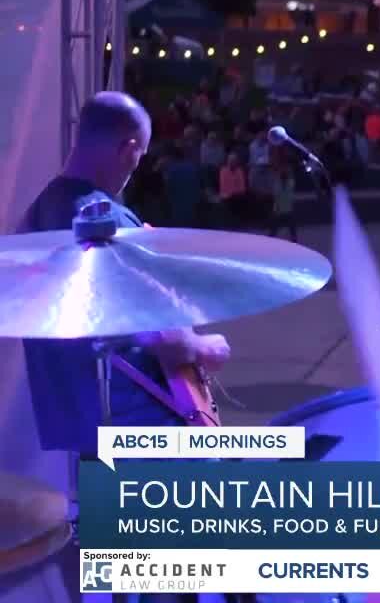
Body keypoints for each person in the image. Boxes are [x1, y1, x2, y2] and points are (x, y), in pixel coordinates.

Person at [18, 94, 230, 488]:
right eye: (140, 154)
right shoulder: (107, 220)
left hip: (82, 422)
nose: (136, 166)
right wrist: (207, 347)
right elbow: (165, 337)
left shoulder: (38, 213)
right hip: (141, 425)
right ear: (128, 147)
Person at [267, 159, 298, 242]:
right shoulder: (277, 183)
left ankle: (294, 240)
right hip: (279, 209)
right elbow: (276, 196)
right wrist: (275, 208)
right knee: (274, 228)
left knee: (292, 227)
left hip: (288, 209)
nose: (284, 174)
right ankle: (270, 239)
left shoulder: (291, 183)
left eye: (285, 173)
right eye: (282, 173)